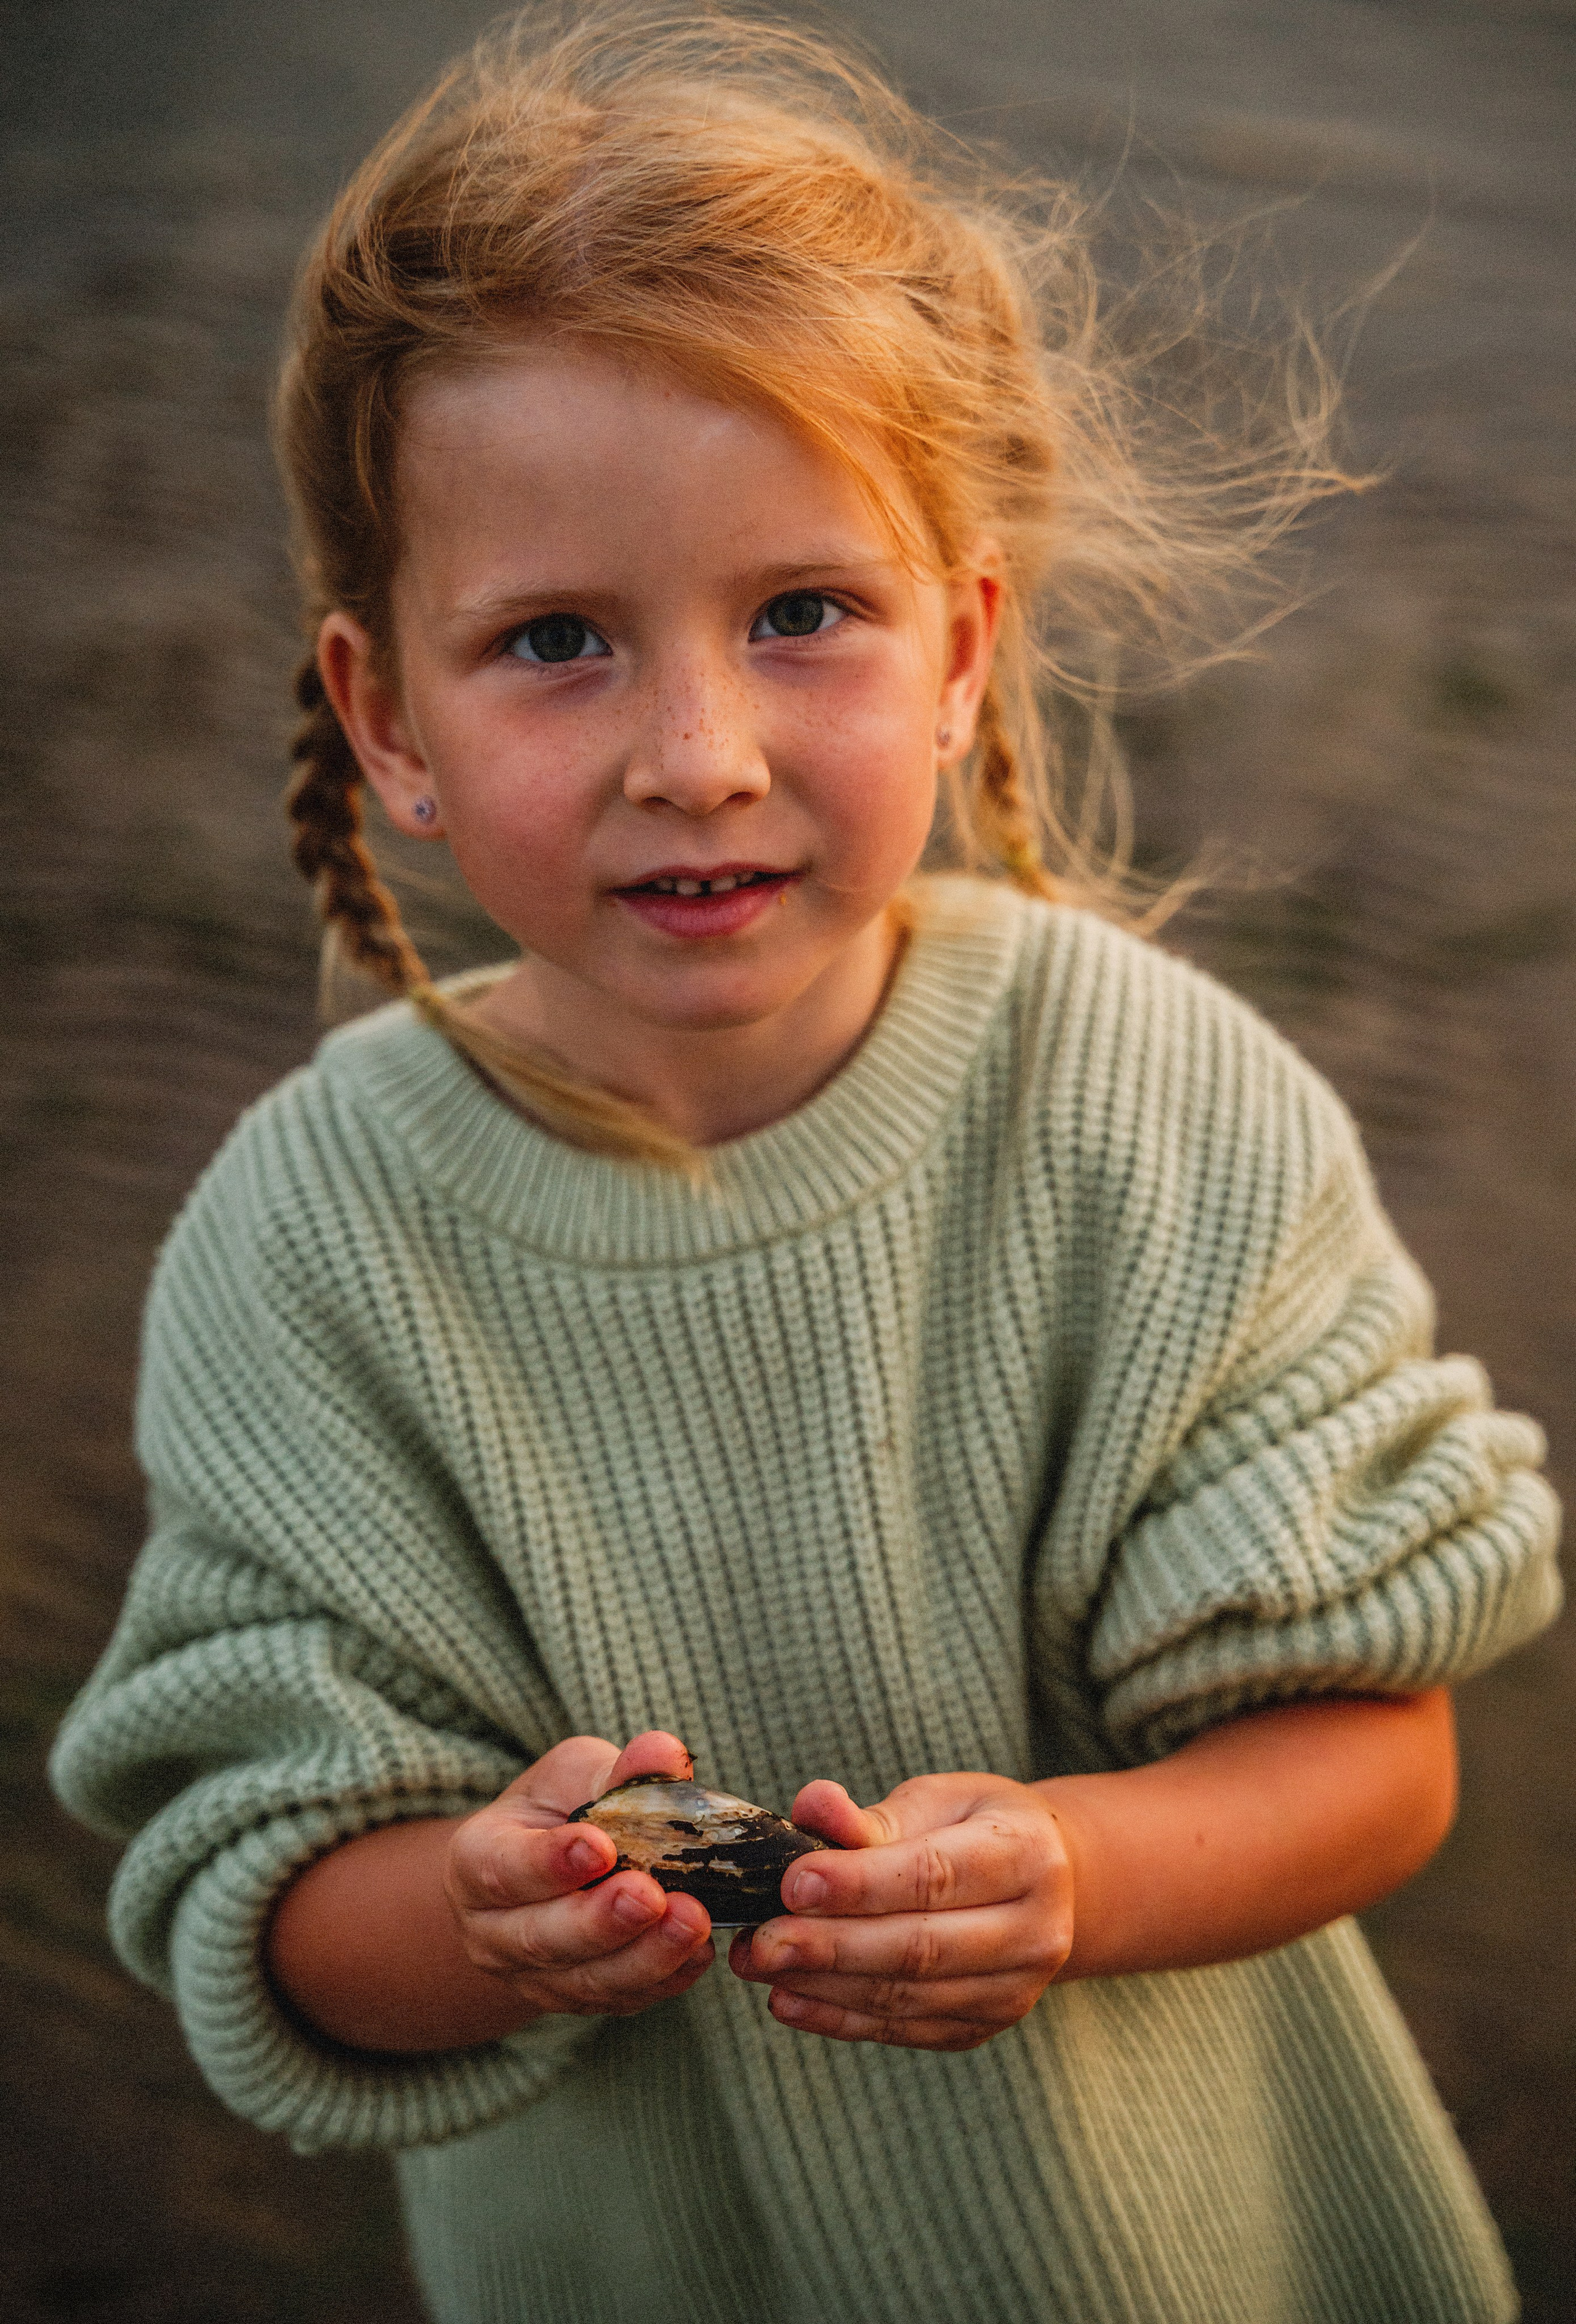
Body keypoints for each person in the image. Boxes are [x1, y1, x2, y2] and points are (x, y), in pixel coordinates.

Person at [50, 9, 1561, 2321]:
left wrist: (1080, 1869)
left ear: (962, 647)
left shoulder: (1152, 1106)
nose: (698, 751)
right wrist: (480, 1913)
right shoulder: (309, 1246)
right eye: (554, 641)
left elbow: (1377, 1754)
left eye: (801, 614)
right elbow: (257, 1894)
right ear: (391, 724)